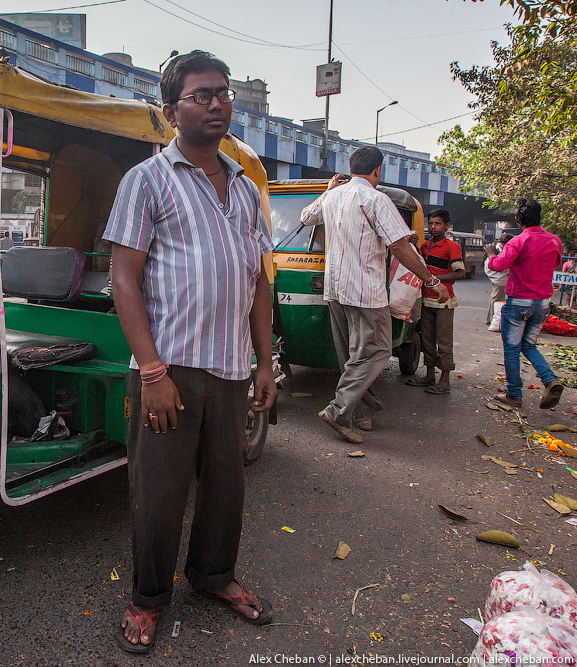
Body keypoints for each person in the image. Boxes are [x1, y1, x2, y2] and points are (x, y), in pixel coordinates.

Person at [103, 50, 277, 654]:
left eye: (223, 93)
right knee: (158, 493)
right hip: (169, 369)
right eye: (201, 95)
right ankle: (146, 600)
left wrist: (264, 361)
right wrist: (151, 370)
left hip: (231, 368)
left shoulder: (248, 191)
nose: (217, 103)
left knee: (227, 488)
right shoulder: (146, 180)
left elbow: (258, 280)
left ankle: (214, 578)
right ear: (171, 109)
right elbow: (123, 279)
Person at [300, 147, 449, 444]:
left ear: (351, 167)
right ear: (378, 171)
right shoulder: (375, 199)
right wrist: (431, 279)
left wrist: (328, 191)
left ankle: (361, 411)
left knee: (352, 358)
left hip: (335, 290)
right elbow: (400, 247)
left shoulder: (333, 196)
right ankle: (339, 411)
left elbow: (306, 217)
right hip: (365, 291)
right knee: (378, 351)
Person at [484, 198, 564, 409]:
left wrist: (492, 254)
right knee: (528, 345)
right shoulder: (554, 241)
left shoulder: (519, 241)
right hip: (543, 303)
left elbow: (499, 265)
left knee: (511, 349)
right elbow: (553, 262)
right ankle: (549, 380)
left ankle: (514, 394)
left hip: (519, 302)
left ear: (518, 220)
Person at [405, 209, 464, 394]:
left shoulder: (451, 247)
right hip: (426, 301)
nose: (432, 227)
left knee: (444, 342)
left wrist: (435, 280)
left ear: (446, 226)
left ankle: (445, 381)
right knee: (427, 340)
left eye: (437, 224)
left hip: (443, 301)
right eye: (430, 223)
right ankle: (430, 375)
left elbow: (460, 272)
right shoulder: (426, 246)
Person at [485, 232, 511, 325]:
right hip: (499, 277)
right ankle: (493, 319)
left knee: (496, 298)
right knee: (497, 299)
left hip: (499, 277)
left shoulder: (498, 249)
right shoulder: (498, 250)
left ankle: (491, 318)